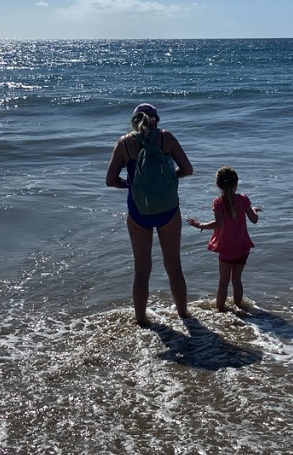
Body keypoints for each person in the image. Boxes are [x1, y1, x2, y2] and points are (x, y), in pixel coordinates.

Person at [106, 103, 193, 325]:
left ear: (134, 121)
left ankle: (141, 321)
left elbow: (110, 181)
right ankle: (184, 315)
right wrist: (167, 179)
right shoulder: (166, 138)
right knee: (174, 267)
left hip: (139, 211)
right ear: (157, 120)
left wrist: (133, 185)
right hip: (168, 210)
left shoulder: (125, 143)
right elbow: (187, 169)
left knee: (142, 270)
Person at [187, 166, 260, 312]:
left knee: (223, 282)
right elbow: (254, 220)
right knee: (237, 281)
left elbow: (218, 223)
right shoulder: (243, 199)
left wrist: (199, 225)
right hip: (242, 247)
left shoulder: (218, 202)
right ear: (236, 183)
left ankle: (220, 311)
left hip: (226, 249)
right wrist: (254, 210)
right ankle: (239, 309)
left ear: (218, 185)